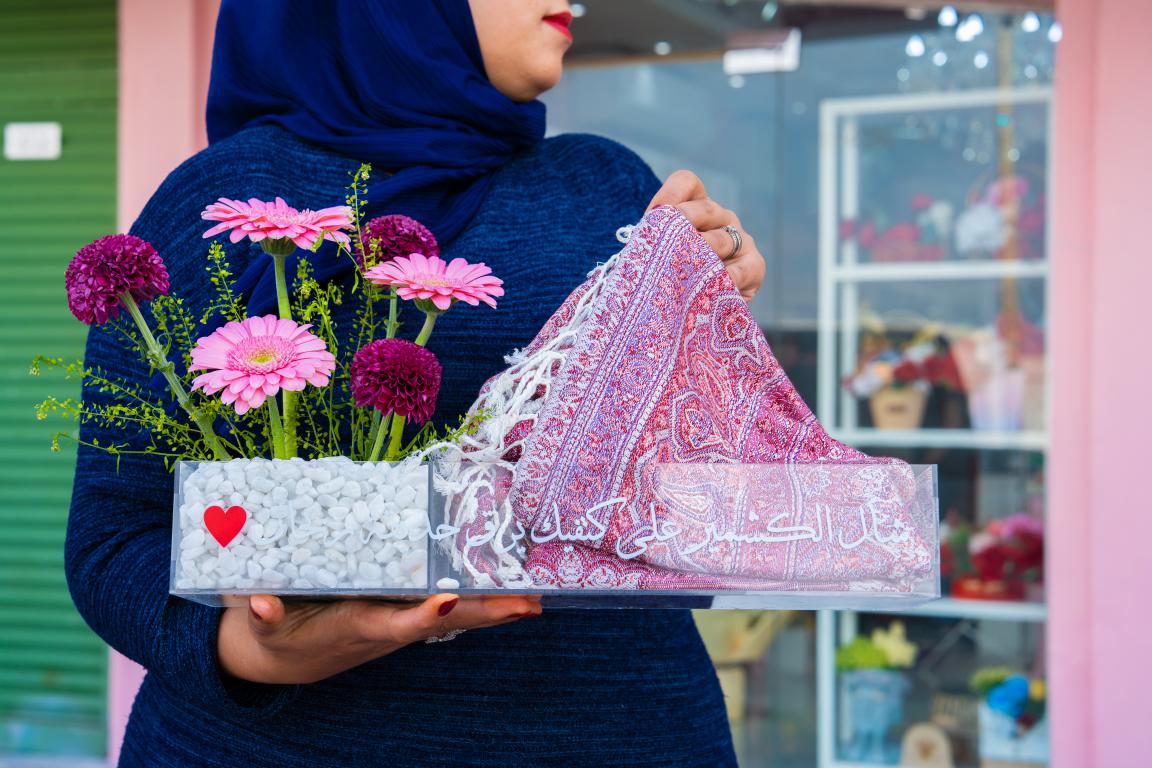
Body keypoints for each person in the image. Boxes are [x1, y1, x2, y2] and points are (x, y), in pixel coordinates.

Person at [66, 1, 766, 765]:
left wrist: (716, 321)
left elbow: (691, 494)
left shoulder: (609, 183)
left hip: (633, 733)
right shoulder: (230, 198)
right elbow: (112, 538)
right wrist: (260, 651)